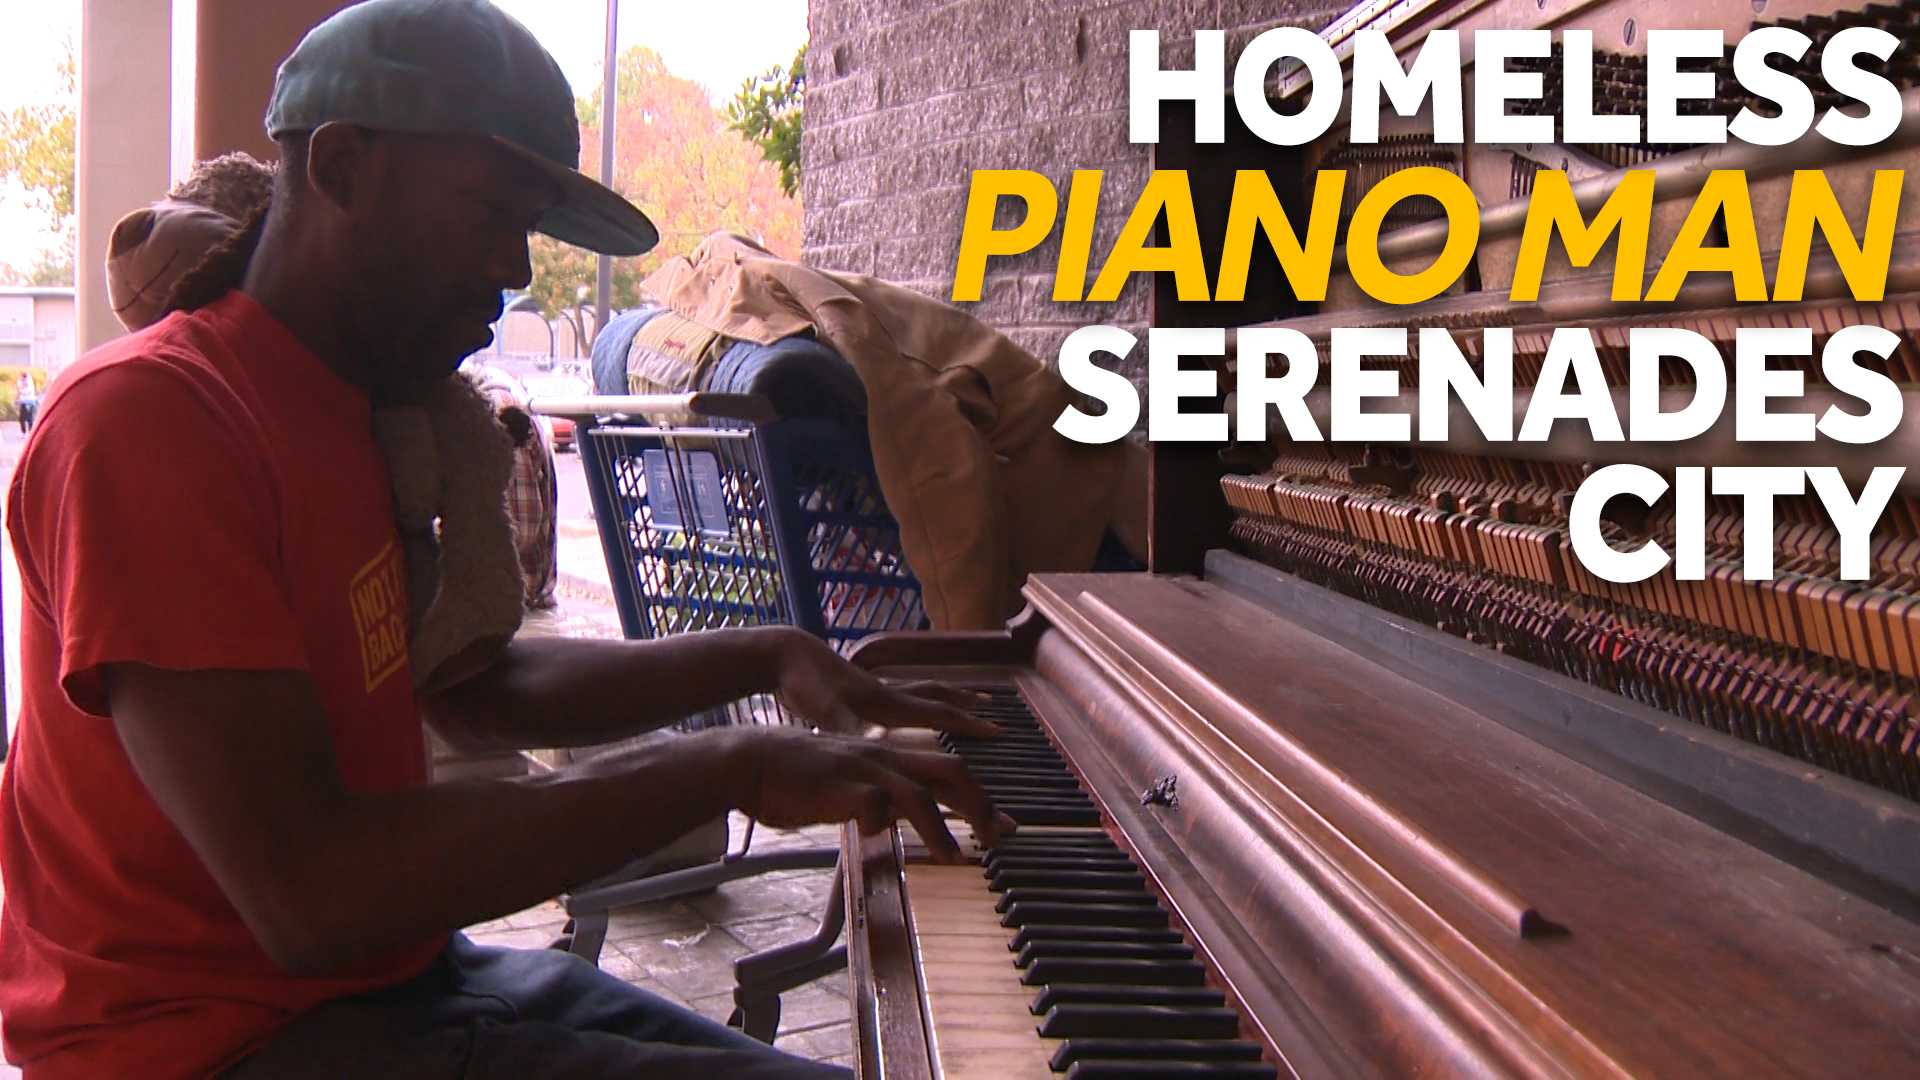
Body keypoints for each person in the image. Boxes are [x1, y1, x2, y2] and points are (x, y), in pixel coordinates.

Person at [0, 3, 1006, 1078]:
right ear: (341, 167)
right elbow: (313, 894)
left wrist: (767, 657)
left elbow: (474, 690)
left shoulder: (358, 409)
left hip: (393, 981)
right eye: (491, 211)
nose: (517, 269)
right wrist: (725, 763)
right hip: (206, 1041)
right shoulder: (155, 422)